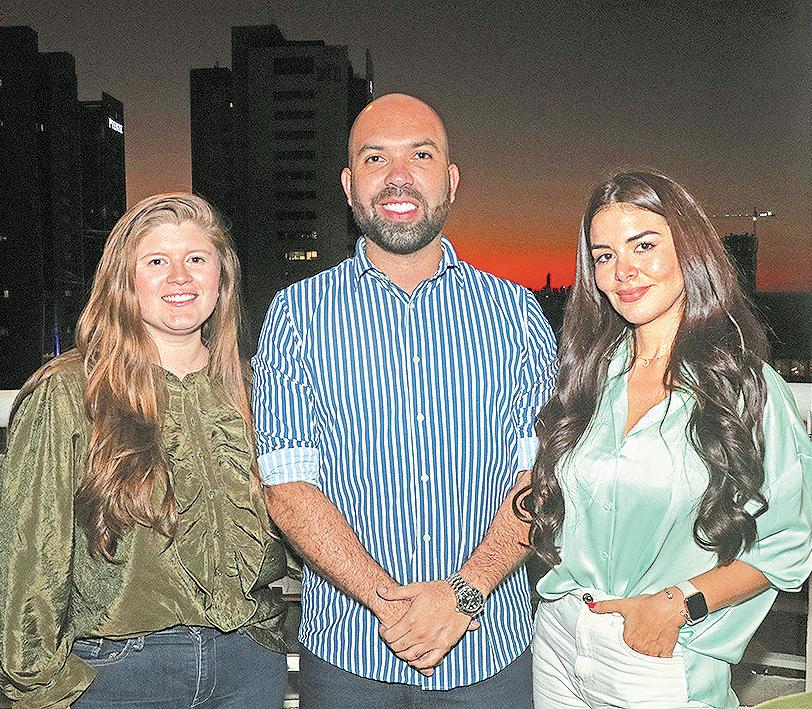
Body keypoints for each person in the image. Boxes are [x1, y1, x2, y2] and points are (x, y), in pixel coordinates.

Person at [252, 93, 557, 708]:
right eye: (374, 158)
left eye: (420, 155)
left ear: (450, 180)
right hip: (349, 661)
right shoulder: (295, 316)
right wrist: (393, 605)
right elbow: (287, 488)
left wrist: (463, 596)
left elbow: (541, 478)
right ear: (348, 186)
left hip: (490, 657)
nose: (398, 176)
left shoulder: (518, 313)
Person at [520, 170, 812, 708]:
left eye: (644, 246)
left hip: (658, 656)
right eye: (604, 256)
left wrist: (680, 604)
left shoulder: (743, 388)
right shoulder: (589, 377)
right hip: (559, 639)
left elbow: (791, 540)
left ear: (690, 251)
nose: (622, 271)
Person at [0, 194, 293, 708]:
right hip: (118, 675)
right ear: (124, 281)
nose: (179, 276)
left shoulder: (256, 390)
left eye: (196, 259)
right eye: (156, 261)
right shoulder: (70, 392)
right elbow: (29, 554)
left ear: (222, 278)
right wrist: (39, 685)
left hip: (248, 664)